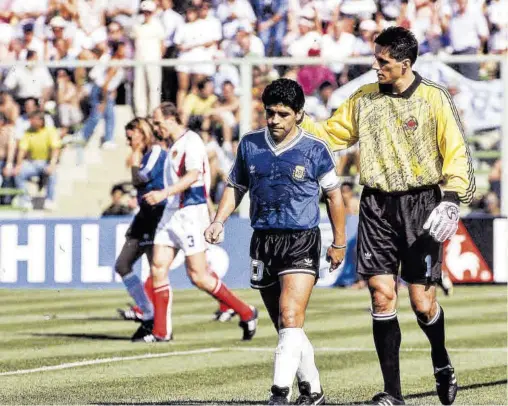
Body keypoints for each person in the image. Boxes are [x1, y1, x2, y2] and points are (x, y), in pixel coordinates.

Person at [300, 27, 475, 405]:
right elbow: (332, 134)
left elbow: (457, 154)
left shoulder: (433, 99)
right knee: (382, 297)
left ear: (405, 63)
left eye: (383, 61)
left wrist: (450, 198)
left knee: (422, 304)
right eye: (375, 59)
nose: (375, 66)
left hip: (422, 205)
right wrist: (297, 123)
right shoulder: (363, 99)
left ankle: (441, 361)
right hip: (376, 205)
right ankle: (393, 393)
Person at [205, 79, 347, 405]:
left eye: (283, 114)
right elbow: (235, 186)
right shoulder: (250, 144)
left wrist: (338, 242)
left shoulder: (315, 149)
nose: (275, 120)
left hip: (300, 238)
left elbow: (334, 197)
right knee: (285, 325)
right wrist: (219, 220)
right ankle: (313, 390)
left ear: (299, 114)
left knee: (291, 315)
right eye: (270, 113)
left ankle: (278, 395)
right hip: (263, 240)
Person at [139, 102, 258, 343]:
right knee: (158, 267)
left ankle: (246, 311)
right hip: (172, 213)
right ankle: (161, 331)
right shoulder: (173, 145)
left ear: (171, 119)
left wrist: (164, 193)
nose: (156, 127)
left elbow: (194, 175)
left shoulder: (191, 141)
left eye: (158, 122)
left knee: (199, 276)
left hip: (191, 213)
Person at [113, 117, 169, 341]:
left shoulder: (155, 152)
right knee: (123, 264)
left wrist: (135, 159)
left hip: (157, 215)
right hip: (144, 216)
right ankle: (148, 314)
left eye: (130, 137)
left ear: (141, 132)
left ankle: (161, 326)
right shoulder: (143, 154)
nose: (129, 142)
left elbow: (139, 179)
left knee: (156, 270)